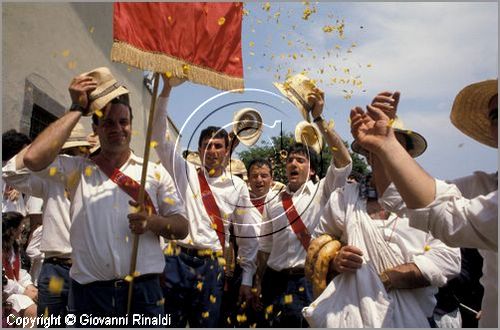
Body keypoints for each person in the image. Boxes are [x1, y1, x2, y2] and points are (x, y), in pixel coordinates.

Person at [21, 67, 189, 324]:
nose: (117, 129)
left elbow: (181, 227)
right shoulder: (75, 169)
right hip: (90, 294)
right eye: (108, 122)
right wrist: (76, 108)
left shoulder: (153, 173)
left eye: (123, 122)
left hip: (143, 293)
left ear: (131, 126)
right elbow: (33, 158)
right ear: (96, 128)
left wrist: (152, 222)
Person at [350, 80, 497, 327]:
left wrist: (393, 276)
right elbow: (405, 199)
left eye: (398, 148)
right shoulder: (481, 186)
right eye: (496, 115)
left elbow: (443, 224)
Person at [305, 110, 460, 326]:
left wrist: (392, 277)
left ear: (406, 155)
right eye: (377, 146)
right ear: (368, 154)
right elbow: (318, 247)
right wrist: (336, 261)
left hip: (411, 318)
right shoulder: (344, 198)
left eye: (394, 146)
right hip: (353, 316)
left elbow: (448, 259)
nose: (386, 152)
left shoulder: (430, 199)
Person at [151, 76, 260, 327]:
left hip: (212, 264)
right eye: (207, 145)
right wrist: (166, 89)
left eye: (218, 146)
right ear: (199, 150)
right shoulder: (184, 171)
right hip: (176, 259)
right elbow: (158, 136)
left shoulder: (238, 187)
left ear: (226, 151)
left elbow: (248, 236)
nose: (212, 151)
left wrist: (247, 278)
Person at [256, 87, 353, 327]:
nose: (293, 163)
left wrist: (319, 120)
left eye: (301, 160)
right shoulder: (272, 200)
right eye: (290, 160)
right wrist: (257, 282)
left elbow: (343, 160)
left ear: (311, 170)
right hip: (273, 282)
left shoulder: (323, 191)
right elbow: (264, 250)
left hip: (308, 283)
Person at [3, 122, 93, 325]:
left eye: (80, 152)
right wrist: (41, 143)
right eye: (67, 152)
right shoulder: (50, 178)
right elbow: (10, 172)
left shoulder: (96, 182)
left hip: (86, 271)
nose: (73, 158)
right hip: (54, 269)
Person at [2, 212, 38, 324]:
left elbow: (18, 272)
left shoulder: (14, 247)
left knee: (39, 302)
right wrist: (23, 291)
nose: (23, 228)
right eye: (20, 225)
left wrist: (29, 286)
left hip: (15, 292)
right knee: (31, 311)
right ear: (12, 230)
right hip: (5, 294)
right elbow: (3, 280)